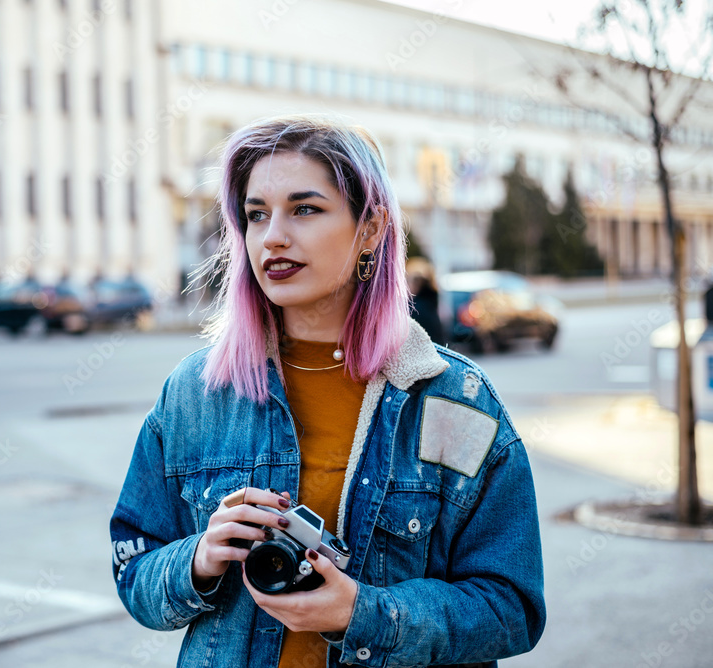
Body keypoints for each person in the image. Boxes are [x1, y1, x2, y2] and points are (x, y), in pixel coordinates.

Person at [109, 115, 545, 668]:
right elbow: (133, 570)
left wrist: (360, 614)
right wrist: (196, 559)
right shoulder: (195, 394)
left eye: (305, 209)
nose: (273, 237)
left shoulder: (455, 400)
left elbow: (512, 609)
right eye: (256, 214)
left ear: (370, 228)